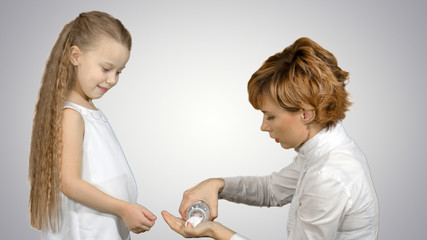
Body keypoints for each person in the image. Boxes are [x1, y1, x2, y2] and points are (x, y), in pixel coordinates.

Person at [161, 37, 379, 239]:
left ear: (306, 113)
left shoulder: (327, 176)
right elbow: (272, 190)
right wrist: (218, 185)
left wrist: (216, 231)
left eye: (270, 116)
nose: (264, 126)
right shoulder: (321, 149)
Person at [28, 11, 156, 239]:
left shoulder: (90, 112)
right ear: (76, 56)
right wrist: (124, 208)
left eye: (119, 72)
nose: (113, 79)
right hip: (87, 231)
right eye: (106, 69)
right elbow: (70, 184)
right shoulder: (72, 116)